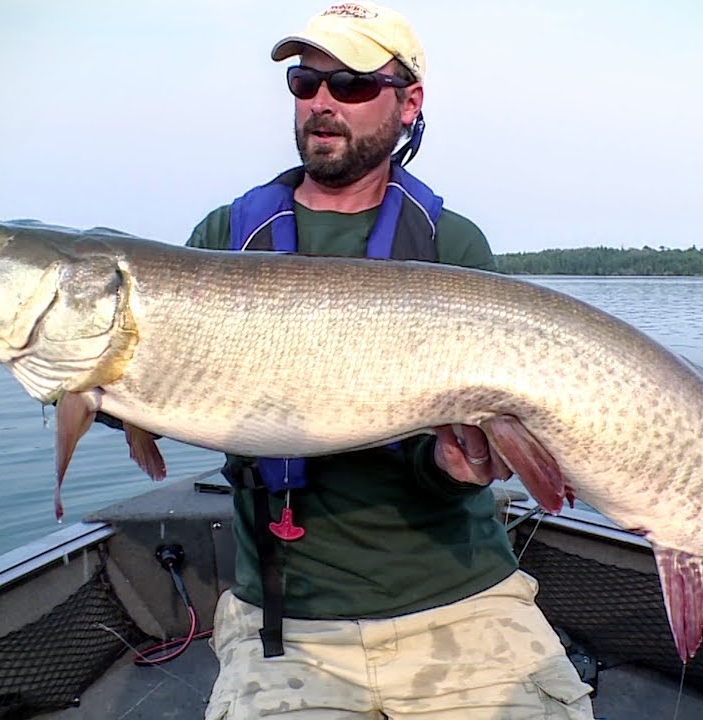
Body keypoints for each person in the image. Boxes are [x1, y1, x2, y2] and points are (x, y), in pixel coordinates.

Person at [187, 3, 594, 718]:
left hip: (461, 604)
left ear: (409, 102)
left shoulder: (452, 247)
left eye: (348, 84)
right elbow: (163, 395)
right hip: (289, 624)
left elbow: (449, 465)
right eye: (304, 81)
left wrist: (452, 466)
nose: (320, 102)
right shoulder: (226, 236)